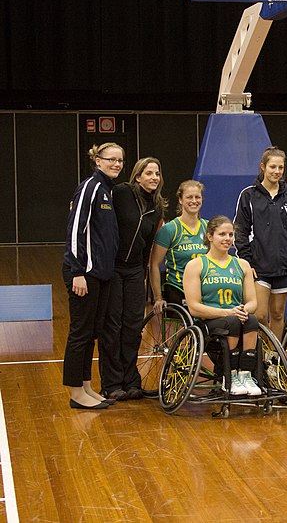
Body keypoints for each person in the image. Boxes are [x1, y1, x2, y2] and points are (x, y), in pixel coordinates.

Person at [99, 156, 167, 401]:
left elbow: (148, 246)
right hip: (113, 268)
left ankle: (131, 381)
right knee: (113, 327)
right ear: (138, 176)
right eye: (148, 173)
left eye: (157, 173)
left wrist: (146, 278)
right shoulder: (121, 192)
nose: (154, 177)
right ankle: (111, 383)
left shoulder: (156, 206)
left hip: (135, 272)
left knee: (132, 328)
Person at [62, 143, 122, 410]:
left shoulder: (107, 190)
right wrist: (77, 271)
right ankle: (76, 392)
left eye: (120, 160)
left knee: (92, 333)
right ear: (98, 161)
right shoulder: (91, 187)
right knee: (80, 332)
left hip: (101, 274)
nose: (117, 164)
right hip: (84, 274)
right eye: (111, 159)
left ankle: (86, 386)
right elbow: (76, 229)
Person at [184, 216, 262, 396]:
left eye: (230, 234)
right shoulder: (196, 265)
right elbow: (194, 307)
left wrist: (244, 310)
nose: (227, 238)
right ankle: (230, 376)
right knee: (233, 322)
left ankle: (246, 375)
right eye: (222, 234)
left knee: (251, 320)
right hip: (208, 322)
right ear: (210, 236)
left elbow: (253, 302)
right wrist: (228, 312)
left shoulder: (242, 265)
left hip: (236, 317)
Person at [234, 146, 287, 338]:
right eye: (273, 167)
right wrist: (247, 262)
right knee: (260, 314)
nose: (277, 171)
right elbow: (240, 231)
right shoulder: (248, 195)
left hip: (285, 266)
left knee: (277, 314)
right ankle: (259, 356)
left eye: (280, 167)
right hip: (259, 266)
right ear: (263, 167)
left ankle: (273, 359)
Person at [149, 180, 208, 311]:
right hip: (178, 289)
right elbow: (154, 264)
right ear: (181, 200)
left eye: (197, 197)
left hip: (205, 288)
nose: (194, 201)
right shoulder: (170, 230)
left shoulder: (208, 227)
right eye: (189, 197)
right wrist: (158, 297)